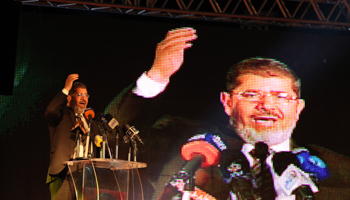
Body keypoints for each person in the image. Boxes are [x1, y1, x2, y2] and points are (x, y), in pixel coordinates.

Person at [105, 28, 350, 199]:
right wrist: (156, 76)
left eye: (280, 96)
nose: (266, 105)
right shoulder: (183, 145)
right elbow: (111, 141)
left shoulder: (339, 170)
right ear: (227, 102)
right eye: (251, 95)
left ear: (298, 108)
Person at [45, 74, 100, 200]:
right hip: (63, 173)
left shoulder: (91, 121)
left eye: (86, 95)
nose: (84, 98)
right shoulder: (62, 115)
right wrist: (65, 89)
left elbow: (99, 146)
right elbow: (51, 111)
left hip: (87, 177)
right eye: (79, 95)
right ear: (69, 98)